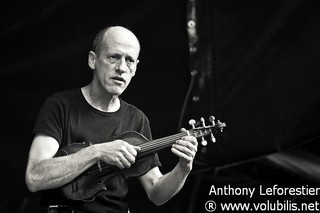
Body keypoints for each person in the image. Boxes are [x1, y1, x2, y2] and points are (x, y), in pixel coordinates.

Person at [25, 26, 198, 213]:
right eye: (113, 57)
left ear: (135, 69)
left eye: (129, 61)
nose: (121, 68)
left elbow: (156, 191)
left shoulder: (137, 119)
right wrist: (97, 152)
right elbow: (35, 177)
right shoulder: (60, 106)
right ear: (93, 60)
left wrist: (183, 168)